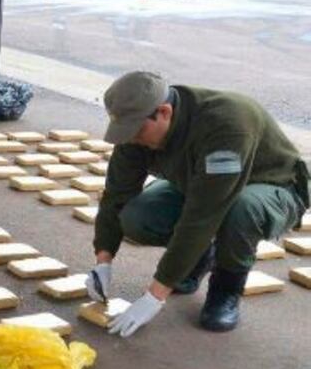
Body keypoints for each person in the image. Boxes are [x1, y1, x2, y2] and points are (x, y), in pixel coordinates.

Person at [85, 71, 308, 337]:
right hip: (202, 183)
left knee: (238, 211)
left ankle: (226, 289)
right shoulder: (137, 129)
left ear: (164, 112)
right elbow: (116, 195)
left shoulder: (226, 124)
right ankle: (198, 260)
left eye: (136, 130)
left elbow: (202, 217)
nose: (132, 138)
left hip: (272, 186)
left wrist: (155, 296)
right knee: (137, 216)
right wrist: (103, 260)